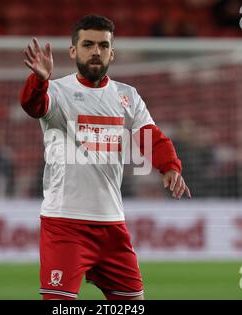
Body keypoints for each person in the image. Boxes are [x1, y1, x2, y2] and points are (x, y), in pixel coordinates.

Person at [19, 15, 191, 300]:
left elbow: (150, 136)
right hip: (65, 224)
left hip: (112, 224)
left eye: (103, 45)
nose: (95, 51)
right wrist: (39, 81)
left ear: (112, 52)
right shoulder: (57, 91)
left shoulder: (128, 96)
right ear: (73, 51)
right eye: (88, 44)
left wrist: (169, 167)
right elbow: (33, 105)